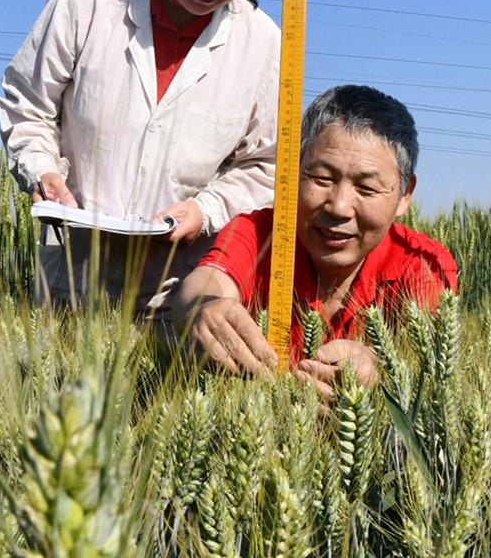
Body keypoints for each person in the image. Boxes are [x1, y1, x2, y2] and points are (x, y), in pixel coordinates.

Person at [0, 0, 282, 309]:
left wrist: (203, 212)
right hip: (73, 279)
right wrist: (43, 171)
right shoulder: (85, 3)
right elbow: (27, 108)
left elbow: (266, 165)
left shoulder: (263, 42)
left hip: (182, 293)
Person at [166, 85, 458, 402]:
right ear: (293, 171)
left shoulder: (423, 265)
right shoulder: (258, 233)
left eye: (367, 187)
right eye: (322, 178)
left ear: (404, 195)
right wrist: (200, 308)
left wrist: (379, 366)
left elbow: (427, 363)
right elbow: (206, 282)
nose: (339, 206)